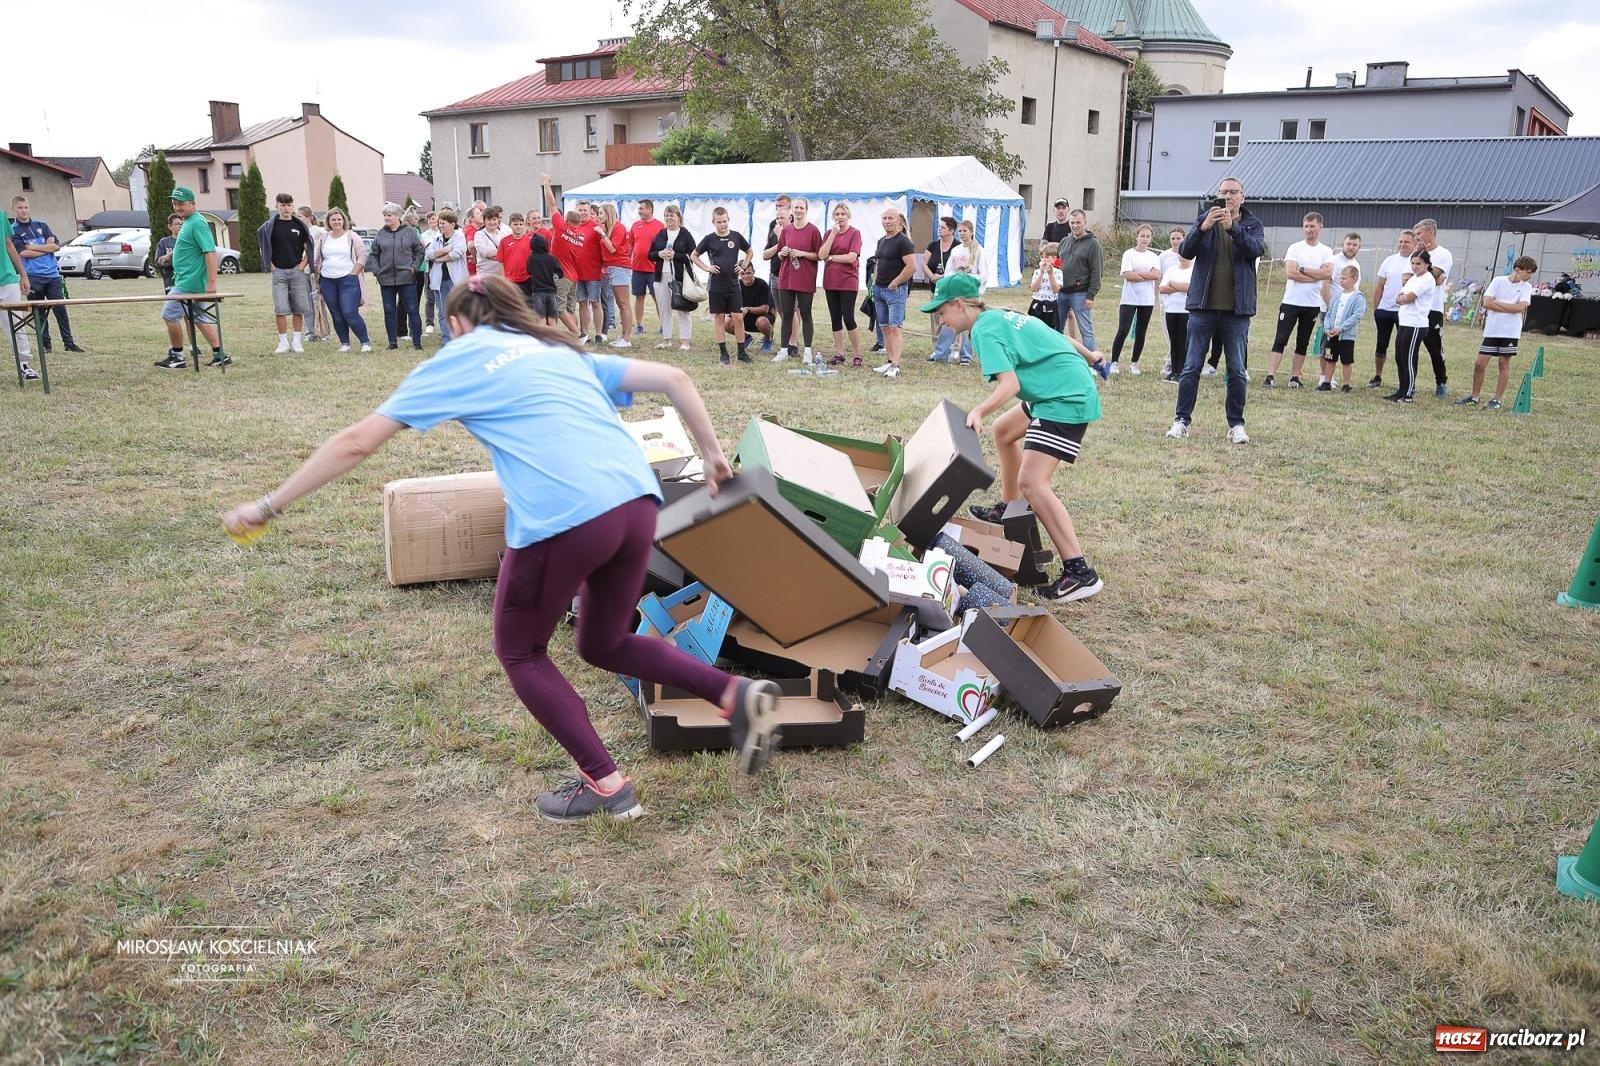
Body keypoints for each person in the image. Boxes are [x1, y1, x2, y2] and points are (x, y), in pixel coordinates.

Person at [221, 274, 786, 822]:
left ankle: (606, 786)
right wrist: (712, 455)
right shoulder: (557, 348)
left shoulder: (458, 359)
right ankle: (734, 694)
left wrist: (268, 505)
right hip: (638, 502)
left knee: (520, 651)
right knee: (604, 641)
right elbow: (675, 378)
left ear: (457, 324)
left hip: (565, 517)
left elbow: (356, 442)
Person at [922, 272, 1106, 603]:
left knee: (1033, 483)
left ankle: (1080, 572)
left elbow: (1010, 386)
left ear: (959, 305)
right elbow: (1054, 336)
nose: (941, 321)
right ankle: (1007, 507)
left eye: (942, 313)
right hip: (1058, 387)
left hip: (1064, 398)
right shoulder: (1001, 314)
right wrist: (1091, 356)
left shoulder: (983, 331)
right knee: (1004, 431)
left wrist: (978, 411)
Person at [1165, 176, 1264, 444]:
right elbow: (1185, 251)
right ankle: (1181, 421)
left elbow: (1256, 249)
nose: (1228, 196)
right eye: (1223, 192)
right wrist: (1203, 228)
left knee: (1236, 369)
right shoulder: (1204, 220)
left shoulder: (1252, 224)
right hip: (1203, 308)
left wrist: (1233, 229)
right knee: (1191, 366)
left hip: (1237, 310)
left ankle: (1236, 424)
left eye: (1233, 192)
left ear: (1243, 197)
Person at [154, 187, 228, 370]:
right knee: (199, 318)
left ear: (193, 204)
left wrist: (212, 283)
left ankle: (177, 356)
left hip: (190, 282)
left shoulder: (197, 223)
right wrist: (169, 257)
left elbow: (209, 252)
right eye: (175, 204)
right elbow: (187, 247)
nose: (178, 207)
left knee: (169, 315)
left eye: (182, 204)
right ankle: (221, 356)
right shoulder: (187, 222)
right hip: (186, 280)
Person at [1263, 212, 1334, 388]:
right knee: (1281, 339)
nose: (1309, 230)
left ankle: (1295, 377)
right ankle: (1270, 375)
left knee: (1303, 342)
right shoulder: (1295, 248)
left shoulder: (1326, 251)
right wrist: (1313, 274)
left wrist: (1302, 270)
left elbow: (1327, 273)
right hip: (1291, 302)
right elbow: (1291, 273)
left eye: (1312, 226)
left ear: (1320, 227)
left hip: (1311, 305)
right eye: (1306, 226)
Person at [1457, 255, 1536, 410]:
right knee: (1479, 364)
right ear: (1517, 270)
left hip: (1510, 332)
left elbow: (1520, 308)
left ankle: (1497, 400)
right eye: (1528, 272)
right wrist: (1508, 306)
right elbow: (1487, 303)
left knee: (1503, 363)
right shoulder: (1498, 281)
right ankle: (1474, 397)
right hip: (1493, 330)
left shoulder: (1526, 287)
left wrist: (1497, 303)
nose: (1529, 276)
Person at [11, 196, 83, 354]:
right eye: (20, 208)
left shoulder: (42, 225)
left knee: (60, 309)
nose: (24, 210)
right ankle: (46, 345)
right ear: (14, 210)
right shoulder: (13, 230)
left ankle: (69, 343)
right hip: (32, 276)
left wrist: (34, 247)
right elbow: (23, 253)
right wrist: (44, 246)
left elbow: (55, 247)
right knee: (39, 312)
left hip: (52, 275)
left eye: (26, 207)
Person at [690, 206, 753, 365]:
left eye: (725, 221)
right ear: (713, 222)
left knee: (738, 317)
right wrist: (706, 268)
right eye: (719, 222)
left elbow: (750, 251)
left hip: (733, 285)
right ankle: (723, 352)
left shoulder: (736, 236)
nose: (723, 224)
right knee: (719, 318)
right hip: (716, 286)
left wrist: (744, 266)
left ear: (728, 220)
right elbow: (694, 255)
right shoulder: (709, 239)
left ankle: (741, 352)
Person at [766, 196, 823, 368]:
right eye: (796, 208)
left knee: (805, 314)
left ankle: (807, 351)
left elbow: (819, 255)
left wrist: (802, 253)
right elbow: (779, 253)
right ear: (792, 210)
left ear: (806, 210)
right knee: (787, 314)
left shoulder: (813, 231)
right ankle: (783, 350)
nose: (798, 211)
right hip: (786, 278)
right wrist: (782, 253)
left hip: (805, 278)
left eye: (801, 208)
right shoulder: (786, 231)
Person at [256, 192, 314, 353]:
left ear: (293, 206)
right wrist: (271, 265)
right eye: (282, 205)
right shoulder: (270, 226)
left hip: (297, 271)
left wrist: (302, 265)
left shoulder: (299, 226)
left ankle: (296, 341)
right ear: (277, 206)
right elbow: (263, 245)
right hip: (279, 272)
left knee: (299, 307)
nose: (286, 208)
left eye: (289, 205)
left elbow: (308, 248)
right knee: (280, 307)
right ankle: (283, 342)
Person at [368, 202, 425, 351]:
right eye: (385, 215)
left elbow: (419, 252)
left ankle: (417, 342)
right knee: (389, 310)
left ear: (398, 216)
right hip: (385, 279)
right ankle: (392, 342)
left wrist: (413, 268)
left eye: (389, 215)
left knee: (412, 309)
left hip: (406, 278)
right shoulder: (380, 233)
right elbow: (373, 254)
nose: (386, 218)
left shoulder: (410, 232)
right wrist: (376, 270)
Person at [869, 209, 918, 379]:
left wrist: (896, 282)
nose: (887, 221)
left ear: (898, 221)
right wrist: (875, 281)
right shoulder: (881, 241)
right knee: (884, 328)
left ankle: (896, 365)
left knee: (895, 327)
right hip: (879, 289)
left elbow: (912, 267)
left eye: (890, 218)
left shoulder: (904, 242)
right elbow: (879, 262)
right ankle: (889, 361)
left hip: (895, 291)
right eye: (884, 218)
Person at [313, 207, 371, 353]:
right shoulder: (324, 237)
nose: (337, 222)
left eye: (339, 219)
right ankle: (345, 343)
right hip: (327, 280)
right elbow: (317, 260)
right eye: (333, 220)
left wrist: (353, 273)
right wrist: (318, 279)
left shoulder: (352, 236)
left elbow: (362, 257)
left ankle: (365, 342)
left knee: (349, 312)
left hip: (348, 280)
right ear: (328, 222)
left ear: (344, 221)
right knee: (336, 314)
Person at [1109, 224, 1161, 374]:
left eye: (1148, 236)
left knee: (1141, 331)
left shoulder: (1153, 257)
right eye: (1142, 236)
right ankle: (1114, 362)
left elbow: (1157, 275)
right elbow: (1128, 275)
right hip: (1129, 298)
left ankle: (1134, 362)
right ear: (1137, 236)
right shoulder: (1129, 254)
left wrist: (1139, 274)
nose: (1145, 239)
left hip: (1147, 299)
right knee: (1123, 329)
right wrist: (1146, 274)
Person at [817, 203, 863, 368]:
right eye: (837, 214)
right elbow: (821, 255)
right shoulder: (829, 233)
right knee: (835, 318)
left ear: (848, 215)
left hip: (848, 281)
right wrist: (833, 234)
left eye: (843, 214)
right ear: (833, 217)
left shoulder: (855, 233)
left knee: (848, 317)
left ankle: (857, 355)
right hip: (830, 281)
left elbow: (851, 257)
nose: (840, 217)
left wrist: (832, 258)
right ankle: (840, 353)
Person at [1387, 249, 1436, 404]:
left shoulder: (1427, 279)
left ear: (1426, 264)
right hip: (1404, 322)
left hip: (1416, 324)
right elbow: (1399, 297)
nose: (1415, 267)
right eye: (1413, 263)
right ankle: (1401, 390)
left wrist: (1403, 298)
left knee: (1408, 358)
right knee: (1399, 356)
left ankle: (1408, 393)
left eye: (1419, 264)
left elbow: (1409, 297)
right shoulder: (1413, 279)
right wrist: (1402, 298)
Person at [1368, 230, 1415, 389]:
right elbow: (1380, 286)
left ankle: (1405, 381)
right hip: (1385, 310)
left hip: (1404, 311)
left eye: (1406, 242)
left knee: (1403, 347)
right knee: (1381, 345)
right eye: (1400, 241)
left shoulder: (1416, 262)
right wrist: (1377, 308)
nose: (1402, 245)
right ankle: (1377, 376)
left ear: (1414, 243)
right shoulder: (1389, 261)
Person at [1413, 218, 1453, 397]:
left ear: (1430, 233)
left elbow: (1434, 277)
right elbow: (1409, 277)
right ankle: (1409, 383)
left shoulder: (1443, 254)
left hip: (1433, 309)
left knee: (1434, 348)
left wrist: (1427, 274)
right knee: (1410, 347)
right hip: (1414, 307)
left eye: (1419, 234)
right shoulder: (1416, 254)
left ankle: (1441, 382)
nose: (1416, 237)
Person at [648, 205, 696, 350]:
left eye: (671, 215)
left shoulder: (685, 234)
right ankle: (666, 339)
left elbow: (692, 256)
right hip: (660, 276)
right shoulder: (661, 234)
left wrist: (675, 255)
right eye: (666, 215)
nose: (668, 218)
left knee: (682, 308)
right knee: (663, 308)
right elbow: (650, 255)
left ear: (678, 218)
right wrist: (659, 254)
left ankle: (685, 341)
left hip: (679, 277)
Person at [925, 216, 970, 364]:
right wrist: (932, 276)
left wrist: (943, 277)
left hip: (953, 289)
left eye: (943, 227)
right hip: (936, 288)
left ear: (951, 230)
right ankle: (937, 348)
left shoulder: (958, 247)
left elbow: (959, 268)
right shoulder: (933, 245)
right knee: (937, 319)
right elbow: (924, 263)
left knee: (953, 319)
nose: (939, 229)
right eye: (939, 226)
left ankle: (955, 348)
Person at [0, 200, 36, 380]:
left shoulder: (0, 214)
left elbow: (8, 244)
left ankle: (24, 365)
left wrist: (23, 274)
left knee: (16, 323)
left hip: (6, 279)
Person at [1317, 266, 1365, 392]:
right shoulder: (1337, 296)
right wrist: (1327, 328)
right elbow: (1329, 314)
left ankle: (1346, 384)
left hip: (1346, 336)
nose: (1341, 281)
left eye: (1345, 278)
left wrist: (1342, 328)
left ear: (1354, 279)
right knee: (1329, 358)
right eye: (1340, 278)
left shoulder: (1358, 297)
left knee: (1346, 360)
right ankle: (1327, 382)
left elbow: (1356, 316)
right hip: (1332, 335)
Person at [1059, 209, 1102, 347]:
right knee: (1056, 329)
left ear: (1085, 223)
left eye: (1078, 222)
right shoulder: (1065, 241)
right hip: (1061, 292)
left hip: (1080, 293)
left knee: (1086, 331)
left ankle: (1092, 366)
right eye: (1072, 222)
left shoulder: (1093, 244)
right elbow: (1059, 263)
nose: (1075, 225)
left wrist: (1091, 295)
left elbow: (1097, 271)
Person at [424, 209, 468, 342]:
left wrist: (439, 259)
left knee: (459, 310)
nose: (441, 226)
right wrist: (445, 250)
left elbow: (456, 254)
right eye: (440, 223)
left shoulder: (459, 237)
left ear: (453, 224)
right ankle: (446, 340)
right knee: (443, 312)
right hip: (439, 280)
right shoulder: (436, 237)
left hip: (456, 280)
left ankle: (461, 339)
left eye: (443, 223)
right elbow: (428, 254)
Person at [597, 203, 634, 348]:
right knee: (620, 303)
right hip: (611, 267)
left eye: (601, 213)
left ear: (609, 214)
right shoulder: (608, 228)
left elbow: (612, 248)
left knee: (624, 304)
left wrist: (602, 234)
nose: (599, 216)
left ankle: (627, 338)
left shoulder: (618, 227)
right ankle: (623, 336)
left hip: (620, 266)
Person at [629, 199, 664, 339]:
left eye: (642, 208)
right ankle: (639, 325)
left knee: (658, 298)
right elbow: (630, 246)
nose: (639, 211)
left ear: (649, 209)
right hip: (637, 269)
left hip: (654, 269)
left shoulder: (660, 226)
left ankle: (664, 325)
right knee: (639, 297)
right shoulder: (635, 226)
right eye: (639, 209)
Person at [1158, 245, 1192, 384]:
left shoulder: (1194, 270)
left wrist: (1173, 284)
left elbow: (1190, 288)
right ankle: (1174, 370)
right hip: (1170, 309)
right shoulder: (1172, 270)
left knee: (1182, 340)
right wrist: (1179, 286)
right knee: (1173, 341)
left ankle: (1182, 371)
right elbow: (1162, 288)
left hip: (1185, 310)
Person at [297, 206, 330, 341]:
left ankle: (323, 332)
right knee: (306, 303)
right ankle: (310, 332)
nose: (297, 219)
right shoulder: (298, 232)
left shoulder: (319, 232)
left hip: (316, 271)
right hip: (303, 271)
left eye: (300, 216)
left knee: (319, 302)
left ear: (309, 217)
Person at [526, 233, 564, 327]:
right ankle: (554, 339)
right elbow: (560, 273)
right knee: (552, 318)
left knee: (541, 318)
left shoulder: (531, 259)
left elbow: (529, 271)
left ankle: (542, 340)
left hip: (537, 292)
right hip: (551, 292)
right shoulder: (551, 258)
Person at [737, 262, 774, 352]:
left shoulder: (762, 284)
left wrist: (748, 309)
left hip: (762, 317)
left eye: (748, 273)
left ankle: (768, 339)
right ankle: (746, 338)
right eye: (742, 273)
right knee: (727, 322)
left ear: (753, 272)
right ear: (738, 273)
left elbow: (765, 308)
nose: (745, 276)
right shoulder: (736, 285)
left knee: (762, 321)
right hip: (745, 317)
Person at [498, 212, 534, 305]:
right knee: (512, 307)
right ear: (510, 225)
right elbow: (500, 262)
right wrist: (503, 280)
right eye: (515, 224)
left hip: (527, 280)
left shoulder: (530, 241)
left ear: (524, 225)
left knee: (527, 307)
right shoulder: (504, 241)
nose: (518, 226)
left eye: (521, 224)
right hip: (510, 280)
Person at [1027, 242, 1063, 330]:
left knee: (1050, 329)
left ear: (1054, 258)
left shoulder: (1058, 272)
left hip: (1050, 306)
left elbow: (1055, 290)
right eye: (1042, 257)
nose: (1044, 260)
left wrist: (1050, 273)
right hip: (1037, 304)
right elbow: (1034, 288)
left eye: (1047, 257)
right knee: (1034, 328)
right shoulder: (1037, 272)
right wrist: (1041, 273)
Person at [471, 206, 506, 278]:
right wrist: (502, 253)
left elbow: (509, 252)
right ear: (484, 221)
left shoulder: (503, 234)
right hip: (484, 275)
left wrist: (496, 254)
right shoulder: (479, 234)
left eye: (494, 219)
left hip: (500, 274)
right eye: (489, 220)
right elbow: (485, 252)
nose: (492, 222)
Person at [154, 213, 181, 290]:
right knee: (173, 301)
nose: (180, 226)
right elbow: (158, 262)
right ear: (170, 227)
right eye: (176, 224)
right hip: (170, 280)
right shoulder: (164, 242)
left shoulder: (188, 241)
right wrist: (168, 256)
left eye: (181, 223)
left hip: (187, 279)